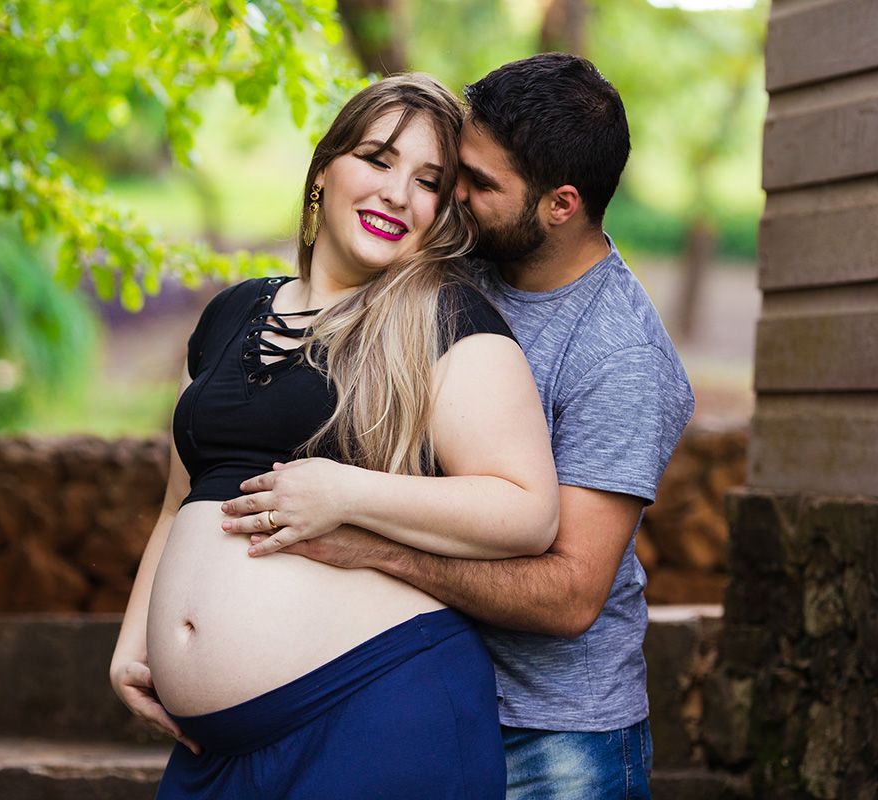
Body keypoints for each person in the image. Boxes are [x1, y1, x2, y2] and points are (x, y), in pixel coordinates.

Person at [225, 54, 695, 800]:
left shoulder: (621, 358)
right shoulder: (451, 265)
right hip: (408, 695)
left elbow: (570, 595)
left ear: (561, 204)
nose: (455, 196)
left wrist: (371, 547)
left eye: (478, 182)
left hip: (550, 739)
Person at [109, 73, 561, 799]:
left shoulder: (446, 321)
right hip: (216, 751)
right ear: (324, 169)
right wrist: (134, 643)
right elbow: (179, 504)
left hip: (377, 711)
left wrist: (347, 492)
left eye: (427, 181)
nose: (397, 193)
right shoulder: (231, 313)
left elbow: (528, 511)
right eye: (378, 160)